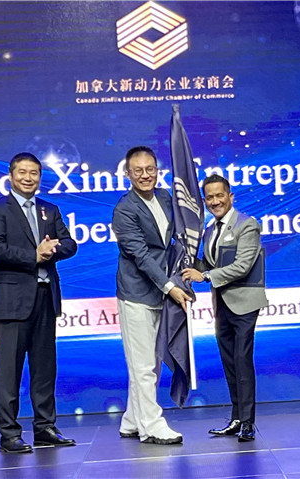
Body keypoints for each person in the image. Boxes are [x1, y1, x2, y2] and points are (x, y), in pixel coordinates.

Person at [0, 152, 78, 453]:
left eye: (34, 173)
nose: (28, 178)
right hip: (11, 300)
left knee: (44, 368)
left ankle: (45, 427)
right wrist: (33, 256)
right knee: (10, 370)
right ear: (11, 175)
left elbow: (70, 244)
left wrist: (54, 249)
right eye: (22, 172)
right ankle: (9, 433)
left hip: (45, 297)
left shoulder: (50, 209)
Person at [112, 146, 191, 445]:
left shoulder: (166, 198)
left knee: (151, 364)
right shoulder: (124, 210)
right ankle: (151, 426)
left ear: (157, 170)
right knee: (143, 365)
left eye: (150, 169)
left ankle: (132, 420)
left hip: (162, 292)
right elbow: (142, 257)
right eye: (138, 171)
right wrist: (170, 287)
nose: (145, 175)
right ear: (128, 174)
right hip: (136, 294)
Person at [182, 174, 268, 442]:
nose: (215, 201)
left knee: (242, 360)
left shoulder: (247, 225)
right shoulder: (209, 230)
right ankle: (236, 418)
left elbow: (242, 266)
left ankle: (248, 422)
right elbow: (208, 265)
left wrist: (205, 276)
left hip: (244, 304)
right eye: (210, 197)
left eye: (220, 195)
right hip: (221, 304)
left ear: (230, 196)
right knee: (230, 363)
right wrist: (185, 257)